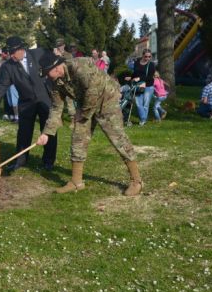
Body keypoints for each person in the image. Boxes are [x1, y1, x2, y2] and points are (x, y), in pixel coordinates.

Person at [36, 52, 142, 196]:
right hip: (86, 104)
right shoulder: (55, 83)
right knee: (78, 138)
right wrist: (47, 133)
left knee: (118, 138)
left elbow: (93, 92)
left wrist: (83, 114)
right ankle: (76, 182)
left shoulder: (80, 66)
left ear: (55, 68)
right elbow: (56, 108)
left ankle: (136, 181)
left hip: (106, 100)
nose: (47, 77)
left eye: (47, 73)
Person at [0, 36, 58, 171]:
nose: (11, 55)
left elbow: (55, 66)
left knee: (49, 130)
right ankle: (20, 160)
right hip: (26, 102)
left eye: (13, 52)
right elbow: (2, 86)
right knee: (24, 132)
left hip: (44, 99)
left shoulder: (38, 54)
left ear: (21, 49)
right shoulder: (8, 67)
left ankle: (48, 161)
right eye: (9, 53)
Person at [126, 49, 155, 126]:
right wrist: (131, 78)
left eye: (149, 56)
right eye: (146, 56)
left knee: (145, 104)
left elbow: (150, 76)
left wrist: (141, 79)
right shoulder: (136, 63)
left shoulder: (151, 65)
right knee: (139, 104)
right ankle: (143, 118)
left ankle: (143, 120)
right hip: (138, 86)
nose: (147, 58)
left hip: (148, 86)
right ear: (142, 55)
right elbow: (135, 73)